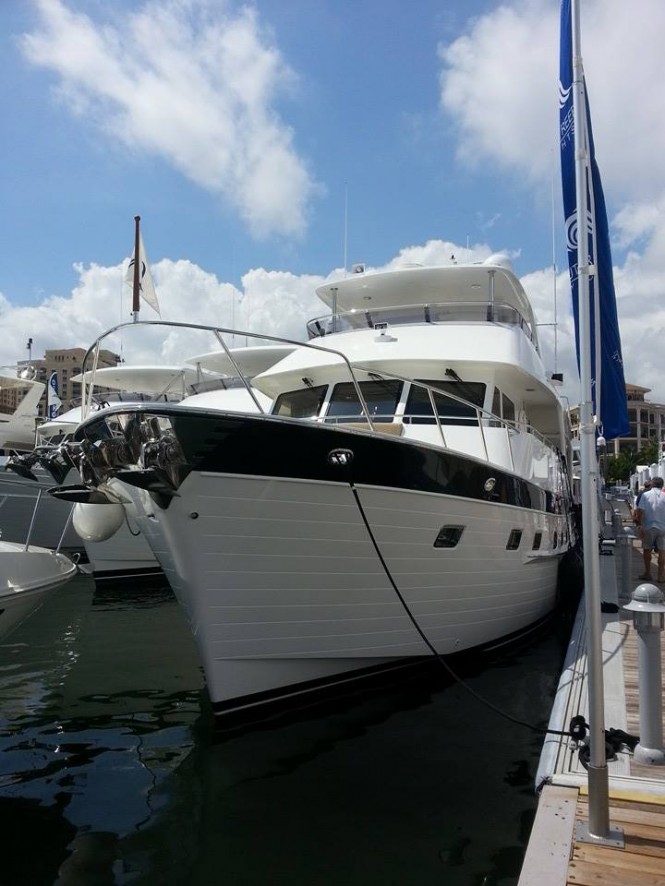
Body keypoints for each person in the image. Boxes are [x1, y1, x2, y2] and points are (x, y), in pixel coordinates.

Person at [633, 476, 665, 582]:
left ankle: (648, 573)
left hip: (649, 526)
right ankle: (661, 576)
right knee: (662, 551)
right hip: (663, 527)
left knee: (647, 549)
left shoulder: (646, 495)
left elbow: (640, 511)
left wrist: (640, 525)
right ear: (662, 485)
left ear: (652, 484)